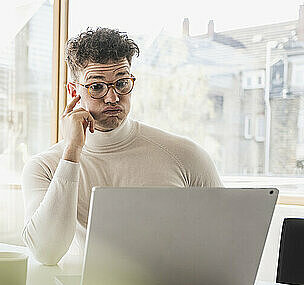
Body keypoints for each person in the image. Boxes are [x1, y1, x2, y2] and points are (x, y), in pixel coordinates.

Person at [21, 27, 223, 265]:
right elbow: (46, 252)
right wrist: (72, 151)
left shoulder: (186, 155)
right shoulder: (44, 166)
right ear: (74, 91)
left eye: (122, 83)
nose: (113, 97)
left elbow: (225, 239)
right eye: (97, 86)